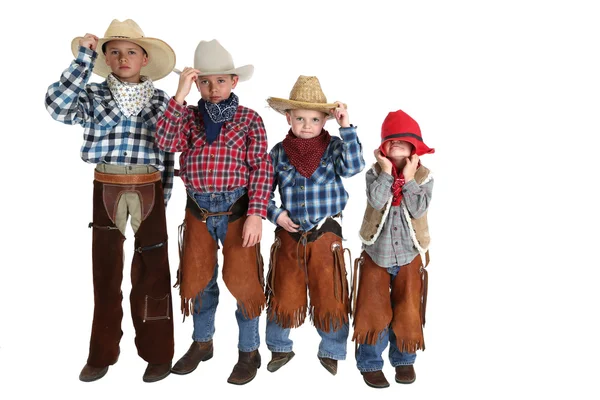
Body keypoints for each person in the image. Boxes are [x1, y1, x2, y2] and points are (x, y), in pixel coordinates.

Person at [44, 19, 177, 383]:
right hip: (107, 183)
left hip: (149, 184)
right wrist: (82, 59)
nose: (123, 58)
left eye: (131, 51)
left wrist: (164, 195)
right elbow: (57, 107)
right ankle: (102, 352)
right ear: (104, 57)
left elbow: (167, 150)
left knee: (154, 270)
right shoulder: (93, 95)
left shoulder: (162, 100)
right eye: (114, 51)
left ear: (144, 58)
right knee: (105, 271)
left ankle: (158, 352)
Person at [155, 39, 273, 385]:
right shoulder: (188, 117)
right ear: (196, 83)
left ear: (234, 81)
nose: (213, 88)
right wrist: (179, 96)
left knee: (244, 282)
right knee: (199, 279)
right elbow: (164, 143)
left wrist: (255, 213)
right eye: (204, 81)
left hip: (236, 209)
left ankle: (248, 350)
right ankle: (202, 342)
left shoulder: (249, 120)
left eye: (220, 81)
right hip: (198, 209)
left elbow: (261, 169)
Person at [264, 76, 365, 376]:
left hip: (326, 231)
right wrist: (276, 214)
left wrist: (346, 127)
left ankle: (332, 349)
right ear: (288, 118)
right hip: (290, 230)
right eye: (300, 119)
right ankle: (279, 346)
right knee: (283, 288)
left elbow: (354, 167)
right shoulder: (279, 153)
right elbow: (262, 192)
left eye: (314, 119)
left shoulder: (334, 147)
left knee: (330, 290)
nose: (306, 125)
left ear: (325, 120)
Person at [352, 109, 435, 388]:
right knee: (373, 308)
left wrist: (409, 178)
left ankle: (404, 359)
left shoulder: (424, 177)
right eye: (392, 140)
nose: (397, 143)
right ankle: (370, 362)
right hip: (377, 253)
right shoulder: (375, 174)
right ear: (383, 148)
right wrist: (388, 172)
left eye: (404, 140)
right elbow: (376, 201)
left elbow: (419, 207)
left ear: (414, 149)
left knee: (408, 307)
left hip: (409, 254)